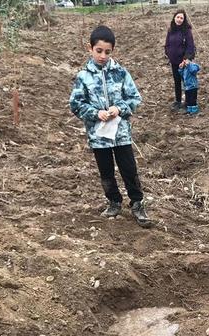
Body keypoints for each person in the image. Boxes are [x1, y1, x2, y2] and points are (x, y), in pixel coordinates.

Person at [69, 25, 152, 228]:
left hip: (121, 133)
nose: (103, 56)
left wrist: (119, 108)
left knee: (128, 168)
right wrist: (95, 113)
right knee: (106, 170)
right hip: (98, 135)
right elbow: (76, 104)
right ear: (90, 48)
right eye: (99, 51)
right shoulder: (83, 77)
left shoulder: (121, 73)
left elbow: (134, 98)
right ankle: (114, 201)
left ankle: (137, 203)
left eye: (108, 52)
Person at [164, 9, 196, 111]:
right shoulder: (171, 30)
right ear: (174, 18)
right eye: (178, 17)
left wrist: (186, 59)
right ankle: (178, 101)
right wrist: (168, 53)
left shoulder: (187, 31)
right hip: (174, 61)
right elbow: (167, 44)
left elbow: (190, 46)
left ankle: (188, 102)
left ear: (184, 20)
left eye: (181, 18)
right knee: (177, 81)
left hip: (183, 62)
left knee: (186, 82)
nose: (179, 19)